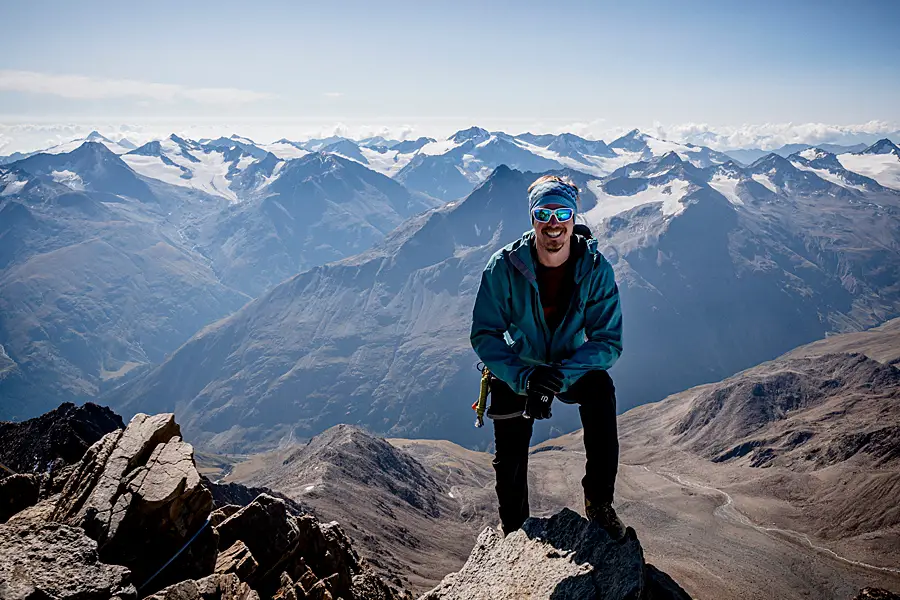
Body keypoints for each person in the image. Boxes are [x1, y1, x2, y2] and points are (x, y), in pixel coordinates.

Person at [469, 174, 626, 540]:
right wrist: (525, 378)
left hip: (571, 365)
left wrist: (557, 376)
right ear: (533, 218)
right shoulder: (504, 266)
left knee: (600, 392)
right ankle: (514, 530)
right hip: (519, 368)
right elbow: (485, 334)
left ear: (574, 217)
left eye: (562, 212)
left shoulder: (595, 268)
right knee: (509, 457)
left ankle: (600, 503)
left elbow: (608, 340)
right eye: (544, 213)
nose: (554, 223)